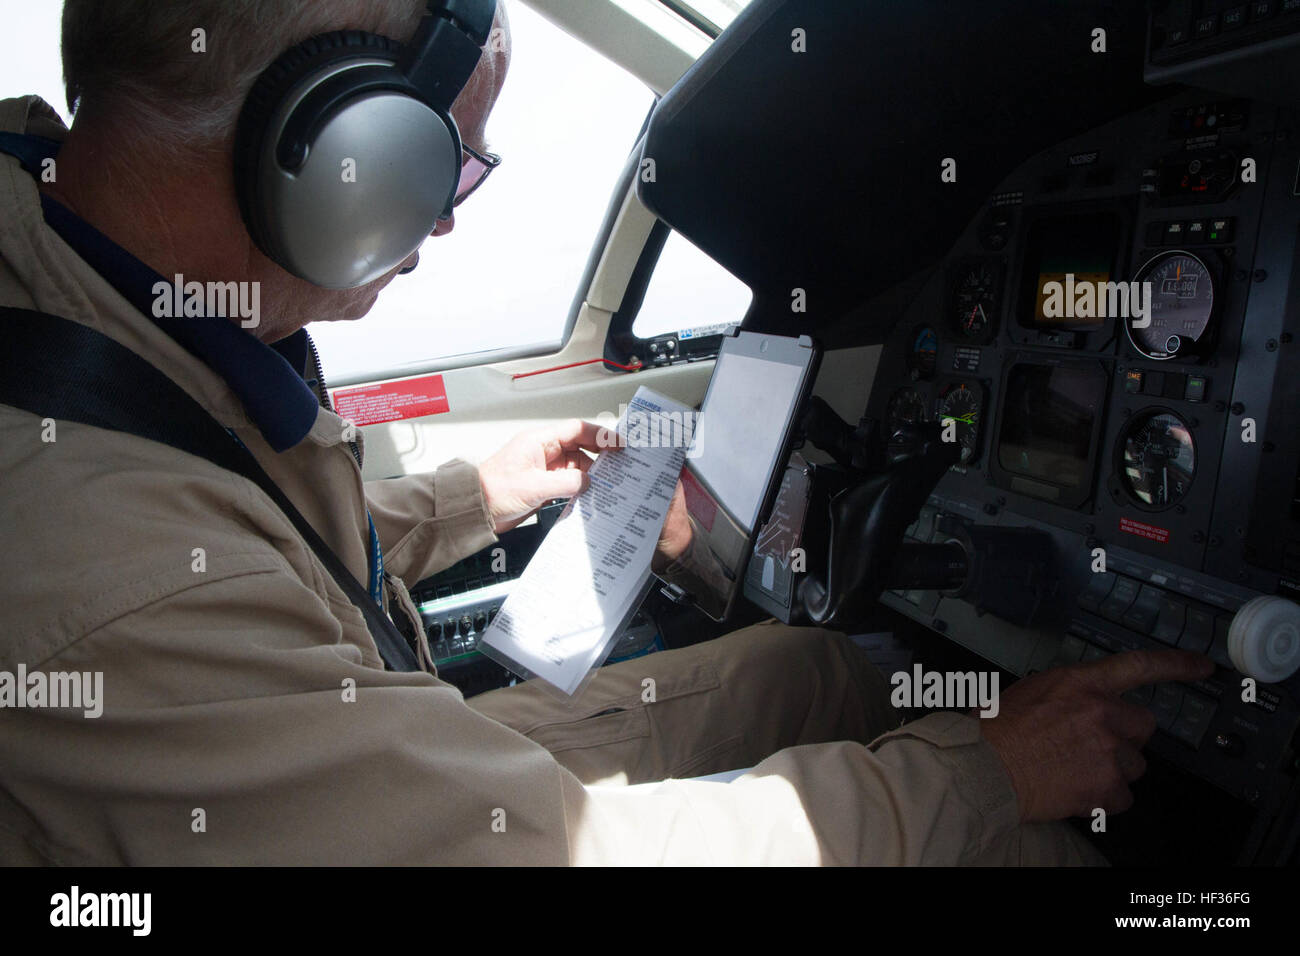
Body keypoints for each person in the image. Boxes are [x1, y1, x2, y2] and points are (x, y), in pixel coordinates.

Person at [0, 0, 1210, 865]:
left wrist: (476, 493)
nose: (452, 218)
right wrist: (987, 774)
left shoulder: (95, 313)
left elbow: (236, 542)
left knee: (817, 666)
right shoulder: (111, 579)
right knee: (1027, 836)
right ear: (345, 154)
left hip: (343, 744)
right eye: (450, 168)